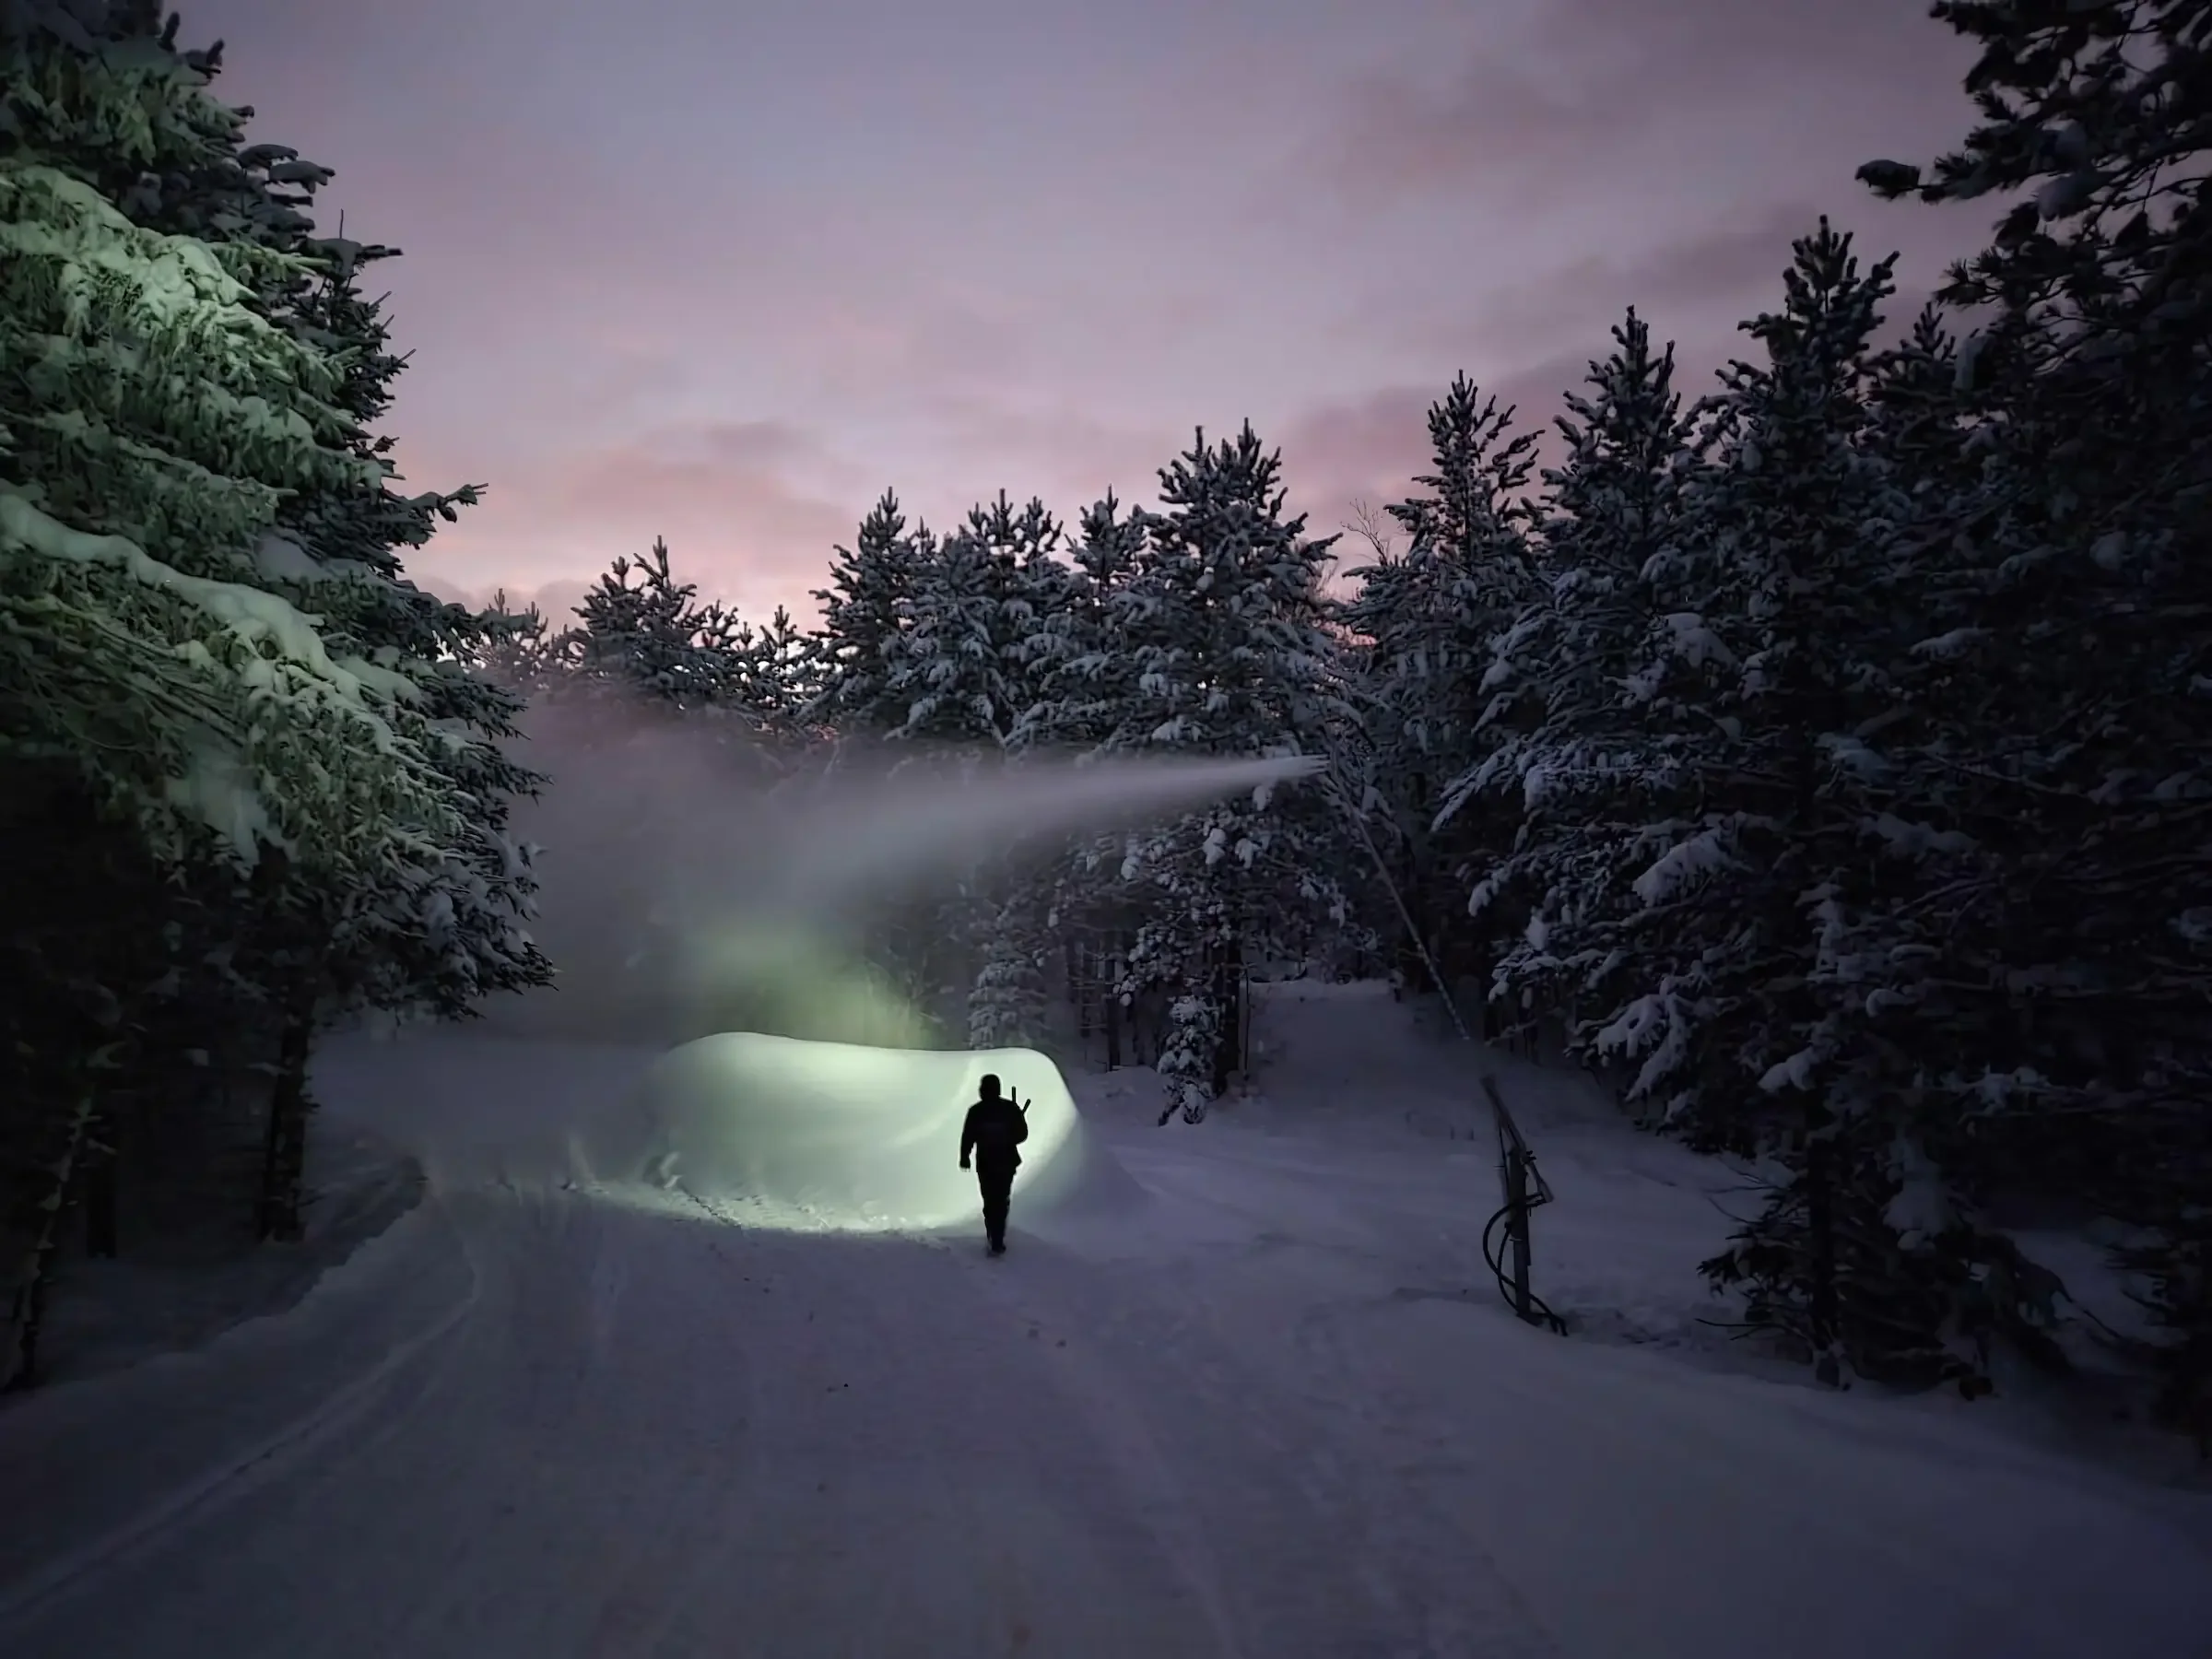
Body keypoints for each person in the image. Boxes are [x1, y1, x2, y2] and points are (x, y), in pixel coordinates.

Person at [958, 1072, 1029, 1254]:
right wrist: (1008, 1137)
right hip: (1005, 1161)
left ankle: (993, 1235)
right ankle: (997, 1237)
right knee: (1001, 1200)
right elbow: (1022, 1135)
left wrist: (965, 1157)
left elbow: (968, 1137)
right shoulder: (1010, 1108)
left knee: (990, 1200)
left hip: (987, 1162)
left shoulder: (977, 1110)